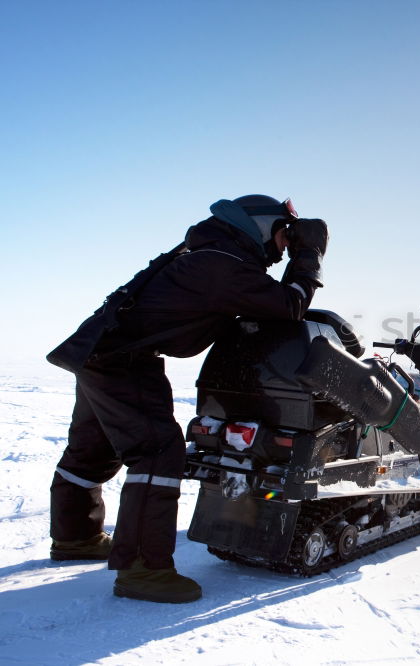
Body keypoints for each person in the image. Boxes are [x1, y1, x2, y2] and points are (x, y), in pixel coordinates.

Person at [47, 195, 328, 603]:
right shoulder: (223, 266)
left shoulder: (209, 253)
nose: (285, 247)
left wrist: (298, 248)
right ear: (263, 227)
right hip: (123, 361)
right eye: (285, 237)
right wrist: (311, 256)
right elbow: (290, 305)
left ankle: (75, 537)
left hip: (103, 352)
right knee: (159, 452)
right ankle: (143, 570)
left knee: (93, 449)